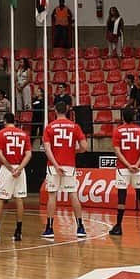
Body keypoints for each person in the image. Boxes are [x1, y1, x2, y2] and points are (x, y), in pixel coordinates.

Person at [41, 101, 88, 238]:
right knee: (73, 194)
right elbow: (84, 147)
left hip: (53, 166)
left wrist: (55, 164)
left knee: (52, 196)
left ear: (55, 110)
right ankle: (80, 227)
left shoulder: (50, 127)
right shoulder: (75, 126)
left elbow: (47, 149)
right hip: (69, 164)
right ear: (67, 110)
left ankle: (49, 228)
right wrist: (74, 151)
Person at [0, 113, 32, 241]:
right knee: (19, 199)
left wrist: (10, 168)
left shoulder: (1, 134)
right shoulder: (24, 134)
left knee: (0, 199)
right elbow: (28, 154)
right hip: (20, 168)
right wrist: (19, 168)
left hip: (7, 169)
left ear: (5, 121)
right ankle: (18, 232)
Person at [109, 107, 140, 235]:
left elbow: (117, 151)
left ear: (123, 117)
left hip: (123, 168)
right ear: (133, 117)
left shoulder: (118, 131)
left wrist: (128, 165)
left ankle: (119, 226)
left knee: (122, 196)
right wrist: (137, 164)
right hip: (138, 168)